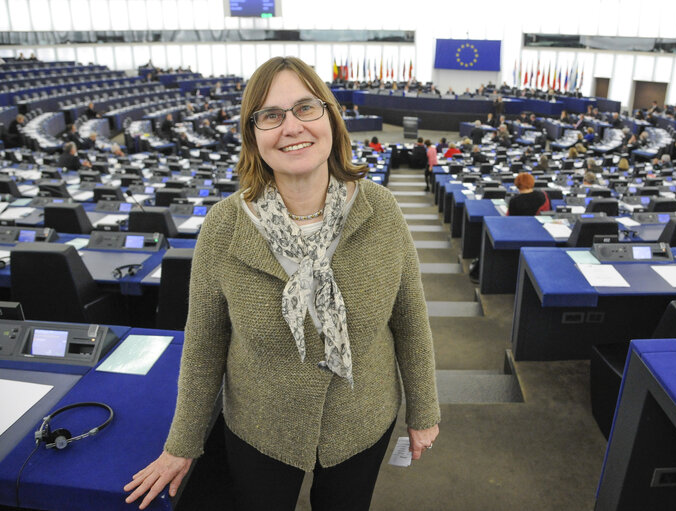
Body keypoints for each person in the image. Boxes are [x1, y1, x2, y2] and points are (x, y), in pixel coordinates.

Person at [124, 56, 440, 511]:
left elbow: (410, 320)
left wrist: (423, 410)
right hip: (261, 428)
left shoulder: (382, 210)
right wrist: (182, 444)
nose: (291, 127)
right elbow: (204, 343)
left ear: (330, 117)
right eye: (271, 115)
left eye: (306, 108)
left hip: (363, 420)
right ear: (253, 134)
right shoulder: (224, 226)